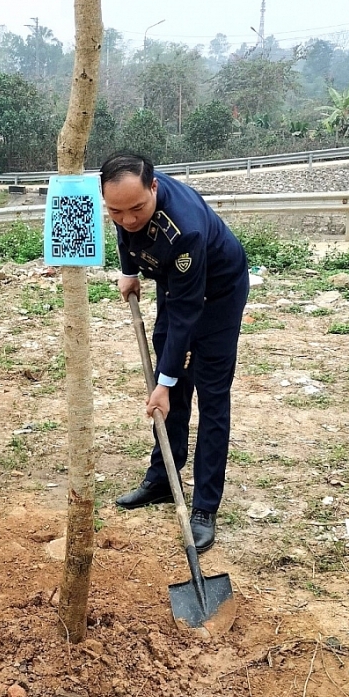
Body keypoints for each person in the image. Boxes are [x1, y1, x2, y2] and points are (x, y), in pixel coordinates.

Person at [101, 152, 249, 553]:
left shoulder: (185, 231)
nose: (128, 218)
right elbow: (127, 231)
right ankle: (164, 478)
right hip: (175, 284)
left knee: (210, 394)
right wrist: (129, 272)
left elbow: (186, 314)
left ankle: (204, 507)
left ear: (154, 187)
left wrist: (164, 383)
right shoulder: (126, 196)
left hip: (217, 292)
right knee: (172, 372)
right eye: (116, 210)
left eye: (137, 209)